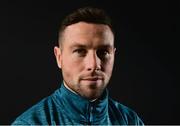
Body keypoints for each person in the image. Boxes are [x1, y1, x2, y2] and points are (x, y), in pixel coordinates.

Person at [12, 7, 144, 125]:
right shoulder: (29, 123)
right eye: (80, 51)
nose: (94, 65)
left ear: (113, 55)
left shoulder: (131, 121)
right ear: (59, 57)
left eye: (103, 52)